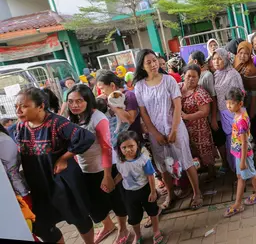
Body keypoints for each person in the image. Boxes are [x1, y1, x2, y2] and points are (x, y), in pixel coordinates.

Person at [15, 87, 96, 243]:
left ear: (40, 106)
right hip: (38, 183)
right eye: (16, 107)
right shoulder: (21, 126)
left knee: (78, 216)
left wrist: (64, 158)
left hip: (63, 180)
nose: (18, 110)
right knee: (43, 224)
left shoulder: (57, 123)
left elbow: (86, 137)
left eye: (24, 106)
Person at [134, 49, 203, 210]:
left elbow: (177, 106)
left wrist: (173, 130)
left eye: (154, 60)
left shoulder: (169, 80)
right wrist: (155, 133)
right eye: (148, 62)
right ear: (142, 66)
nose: (153, 64)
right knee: (162, 164)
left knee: (186, 159)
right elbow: (143, 113)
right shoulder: (139, 86)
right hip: (155, 131)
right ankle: (171, 194)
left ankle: (197, 193)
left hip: (175, 126)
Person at [67, 84, 129, 244]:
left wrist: (107, 176)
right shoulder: (71, 119)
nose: (74, 105)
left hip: (106, 168)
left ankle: (123, 228)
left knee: (116, 200)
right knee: (94, 205)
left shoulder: (98, 118)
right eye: (71, 101)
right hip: (85, 170)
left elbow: (106, 148)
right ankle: (108, 225)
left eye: (79, 101)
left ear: (88, 100)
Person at [114, 131, 165, 244]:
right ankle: (138, 235)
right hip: (129, 193)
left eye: (131, 146)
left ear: (137, 144)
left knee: (152, 211)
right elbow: (121, 174)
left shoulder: (143, 159)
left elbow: (150, 176)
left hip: (145, 190)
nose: (128, 150)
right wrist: (113, 183)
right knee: (133, 217)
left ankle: (156, 231)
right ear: (119, 148)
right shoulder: (119, 161)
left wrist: (153, 192)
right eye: (124, 147)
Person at [223, 88, 256, 218]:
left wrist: (242, 161)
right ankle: (249, 198)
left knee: (249, 175)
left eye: (231, 103)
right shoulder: (238, 114)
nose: (228, 106)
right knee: (244, 176)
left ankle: (241, 202)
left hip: (243, 154)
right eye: (227, 103)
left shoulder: (241, 120)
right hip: (239, 153)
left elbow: (245, 142)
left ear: (240, 104)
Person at [188, 51, 227, 172]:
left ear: (195, 61)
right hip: (204, 118)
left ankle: (225, 164)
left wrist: (214, 118)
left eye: (189, 59)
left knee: (218, 139)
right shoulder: (198, 75)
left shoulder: (207, 76)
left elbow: (213, 98)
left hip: (211, 115)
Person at [179, 65, 216, 181]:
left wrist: (187, 116)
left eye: (194, 76)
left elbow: (205, 112)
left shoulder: (200, 92)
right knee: (190, 150)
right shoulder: (178, 88)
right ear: (183, 76)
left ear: (198, 78)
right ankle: (197, 171)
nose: (191, 79)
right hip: (183, 128)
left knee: (203, 149)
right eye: (188, 76)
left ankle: (211, 172)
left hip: (199, 128)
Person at [213, 48, 244, 171]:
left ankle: (242, 169)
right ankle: (235, 169)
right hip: (223, 113)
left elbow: (241, 93)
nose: (216, 61)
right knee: (229, 141)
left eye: (220, 58)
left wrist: (236, 112)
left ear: (226, 59)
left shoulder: (233, 74)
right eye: (214, 59)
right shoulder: (215, 74)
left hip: (234, 113)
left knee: (238, 139)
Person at [96, 71, 142, 148]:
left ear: (112, 85)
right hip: (117, 145)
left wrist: (112, 103)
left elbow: (130, 119)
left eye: (102, 88)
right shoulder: (106, 99)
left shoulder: (128, 96)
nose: (102, 92)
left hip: (133, 144)